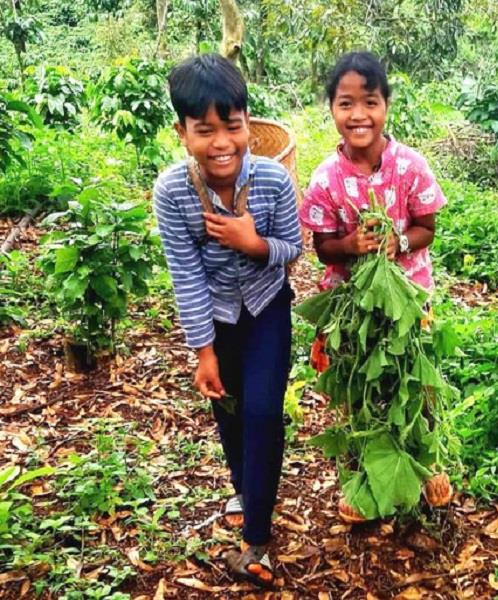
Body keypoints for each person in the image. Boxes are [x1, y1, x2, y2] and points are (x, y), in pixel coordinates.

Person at [152, 53, 302, 587]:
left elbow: (293, 249)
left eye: (231, 127)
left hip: (267, 309)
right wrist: (204, 351)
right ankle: (246, 486)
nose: (220, 143)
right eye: (204, 130)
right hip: (217, 318)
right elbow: (186, 275)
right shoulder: (172, 193)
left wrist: (253, 243)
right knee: (231, 410)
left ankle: (256, 538)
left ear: (247, 124)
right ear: (183, 132)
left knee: (264, 412)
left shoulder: (273, 181)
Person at [299, 51, 450, 520]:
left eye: (370, 101)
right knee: (354, 389)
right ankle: (363, 480)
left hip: (409, 296)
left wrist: (398, 240)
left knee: (413, 382)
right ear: (331, 109)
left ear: (386, 106)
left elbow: (428, 225)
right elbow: (322, 247)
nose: (358, 115)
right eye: (346, 103)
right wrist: (352, 243)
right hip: (349, 306)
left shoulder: (410, 166)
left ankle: (426, 462)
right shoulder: (325, 178)